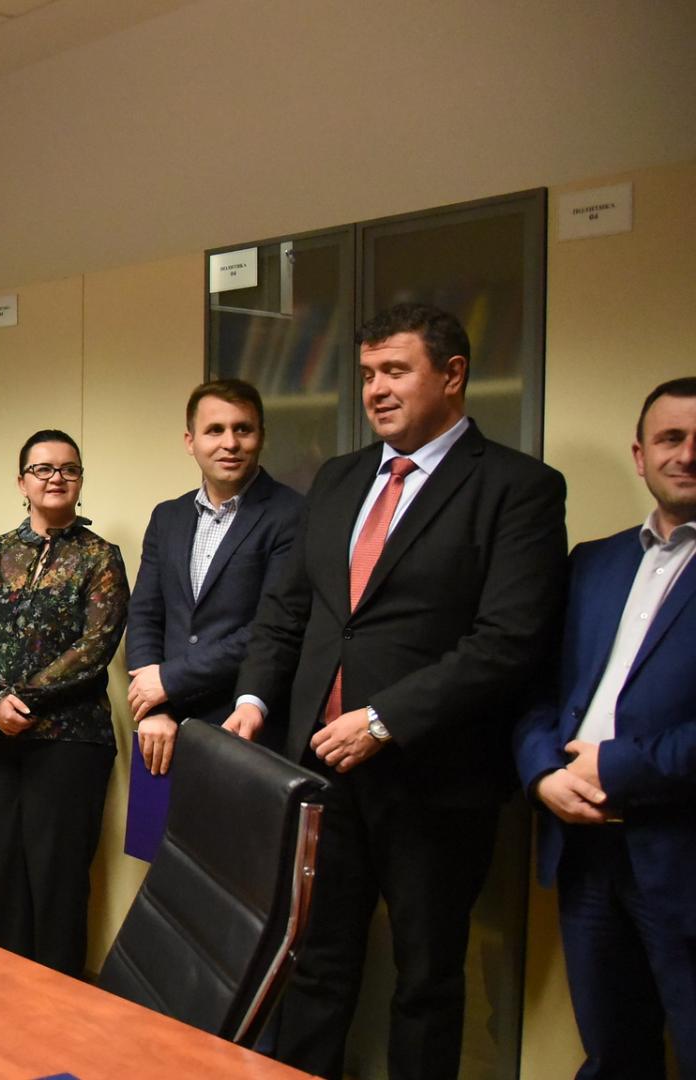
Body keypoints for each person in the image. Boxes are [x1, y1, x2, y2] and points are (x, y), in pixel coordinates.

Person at [224, 302, 568, 1079]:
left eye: (396, 371)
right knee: (315, 964)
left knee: (425, 980)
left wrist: (382, 720)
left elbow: (508, 641)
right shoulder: (340, 479)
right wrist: (253, 700)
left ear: (452, 376)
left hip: (433, 779)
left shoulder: (518, 488)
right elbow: (289, 609)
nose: (376, 389)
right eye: (369, 374)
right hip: (319, 770)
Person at [513, 376, 696, 1079]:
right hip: (585, 852)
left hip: (677, 850)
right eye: (669, 439)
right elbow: (535, 691)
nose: (684, 454)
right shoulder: (594, 561)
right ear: (640, 454)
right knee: (615, 1053)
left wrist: (614, 768)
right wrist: (542, 775)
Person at [0, 429, 128, 975]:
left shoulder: (99, 556)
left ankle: (59, 1006)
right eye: (43, 468)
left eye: (68, 469)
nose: (56, 478)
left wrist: (19, 699)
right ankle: (6, 996)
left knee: (57, 878)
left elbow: (95, 646)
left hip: (71, 740)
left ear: (79, 480)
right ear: (22, 481)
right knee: (1, 871)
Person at [125, 379, 303, 777]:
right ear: (190, 441)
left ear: (261, 436)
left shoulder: (292, 514)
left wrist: (169, 680)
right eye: (215, 430)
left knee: (237, 840)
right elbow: (144, 614)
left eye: (243, 429)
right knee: (155, 839)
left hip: (243, 722)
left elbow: (272, 626)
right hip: (162, 728)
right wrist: (154, 706)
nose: (230, 443)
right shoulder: (167, 517)